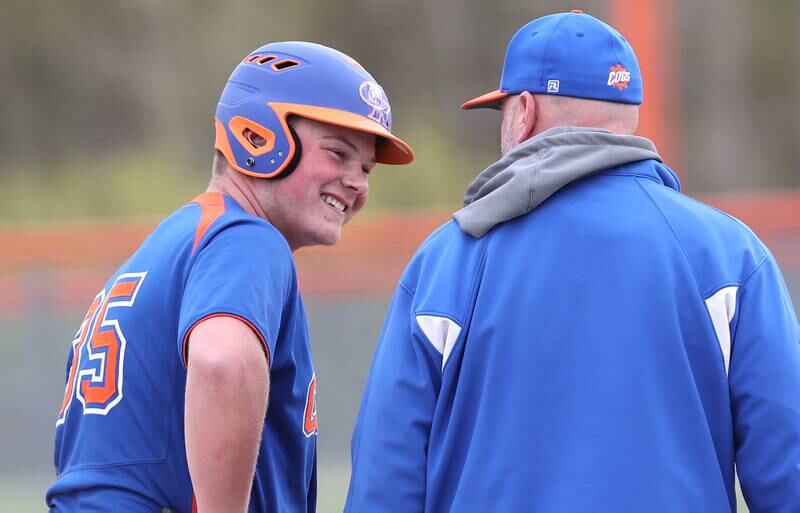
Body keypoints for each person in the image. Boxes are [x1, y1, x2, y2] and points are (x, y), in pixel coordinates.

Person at [345, 10, 800, 513]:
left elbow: (386, 478)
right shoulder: (728, 254)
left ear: (524, 111)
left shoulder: (449, 259)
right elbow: (788, 466)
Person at [46, 41, 413, 513]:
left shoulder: (176, 240)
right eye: (338, 154)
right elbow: (223, 363)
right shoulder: (247, 238)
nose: (358, 182)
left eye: (365, 168)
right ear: (258, 136)